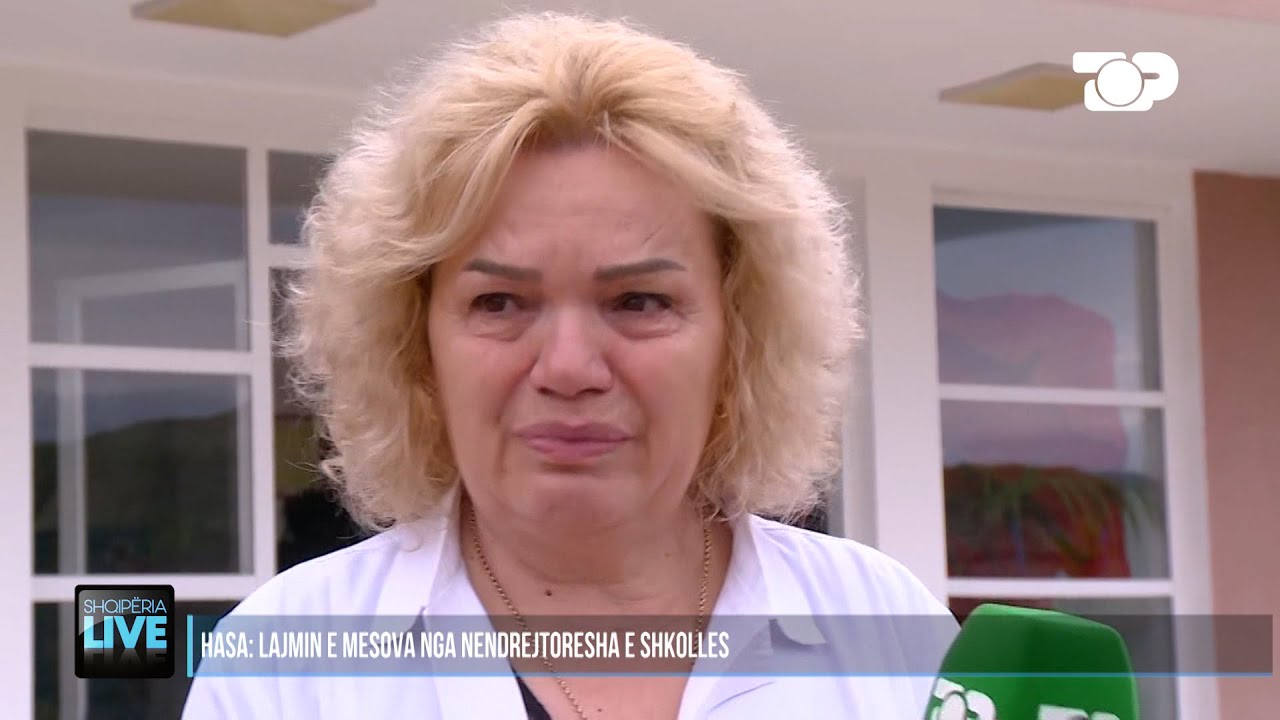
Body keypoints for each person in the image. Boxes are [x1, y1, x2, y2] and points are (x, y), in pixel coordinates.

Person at [182, 11, 957, 719]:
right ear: (415, 341)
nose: (569, 367)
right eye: (498, 303)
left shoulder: (889, 632)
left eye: (639, 301)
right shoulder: (283, 672)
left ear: (740, 335)